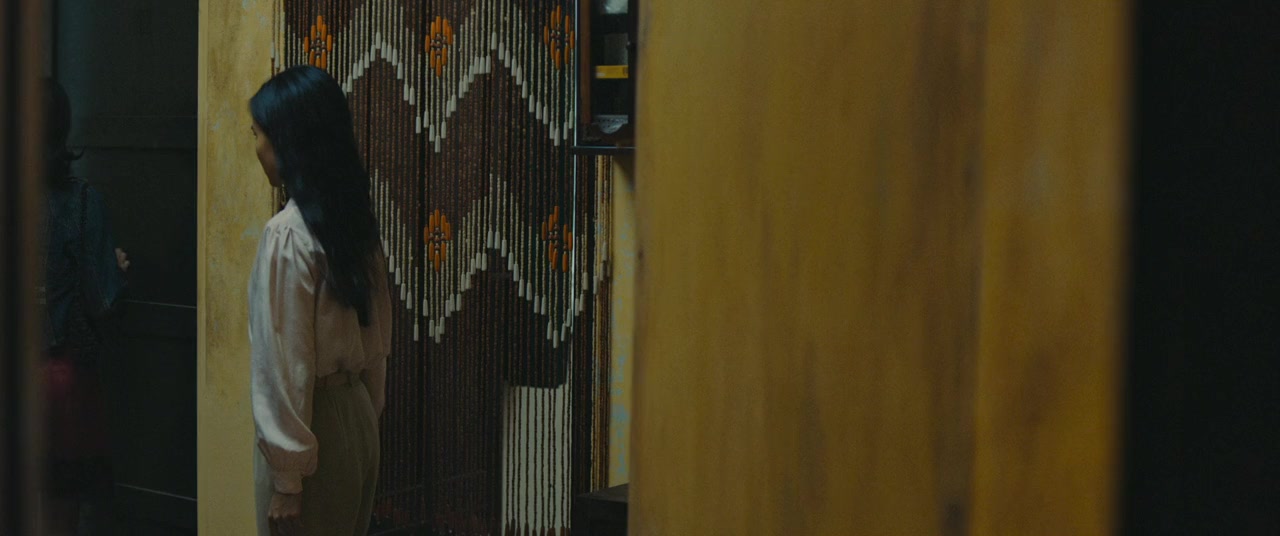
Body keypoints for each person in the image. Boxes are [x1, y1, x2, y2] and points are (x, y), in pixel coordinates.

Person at [247, 65, 391, 536]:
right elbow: (377, 341)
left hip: (313, 429)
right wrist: (365, 414)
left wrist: (287, 479)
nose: (256, 147)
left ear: (287, 142)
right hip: (356, 416)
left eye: (258, 134)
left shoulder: (287, 235)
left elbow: (285, 363)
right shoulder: (354, 225)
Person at [40, 78, 129, 536]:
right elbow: (103, 301)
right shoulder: (80, 202)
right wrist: (117, 268)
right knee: (59, 514)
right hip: (59, 384)